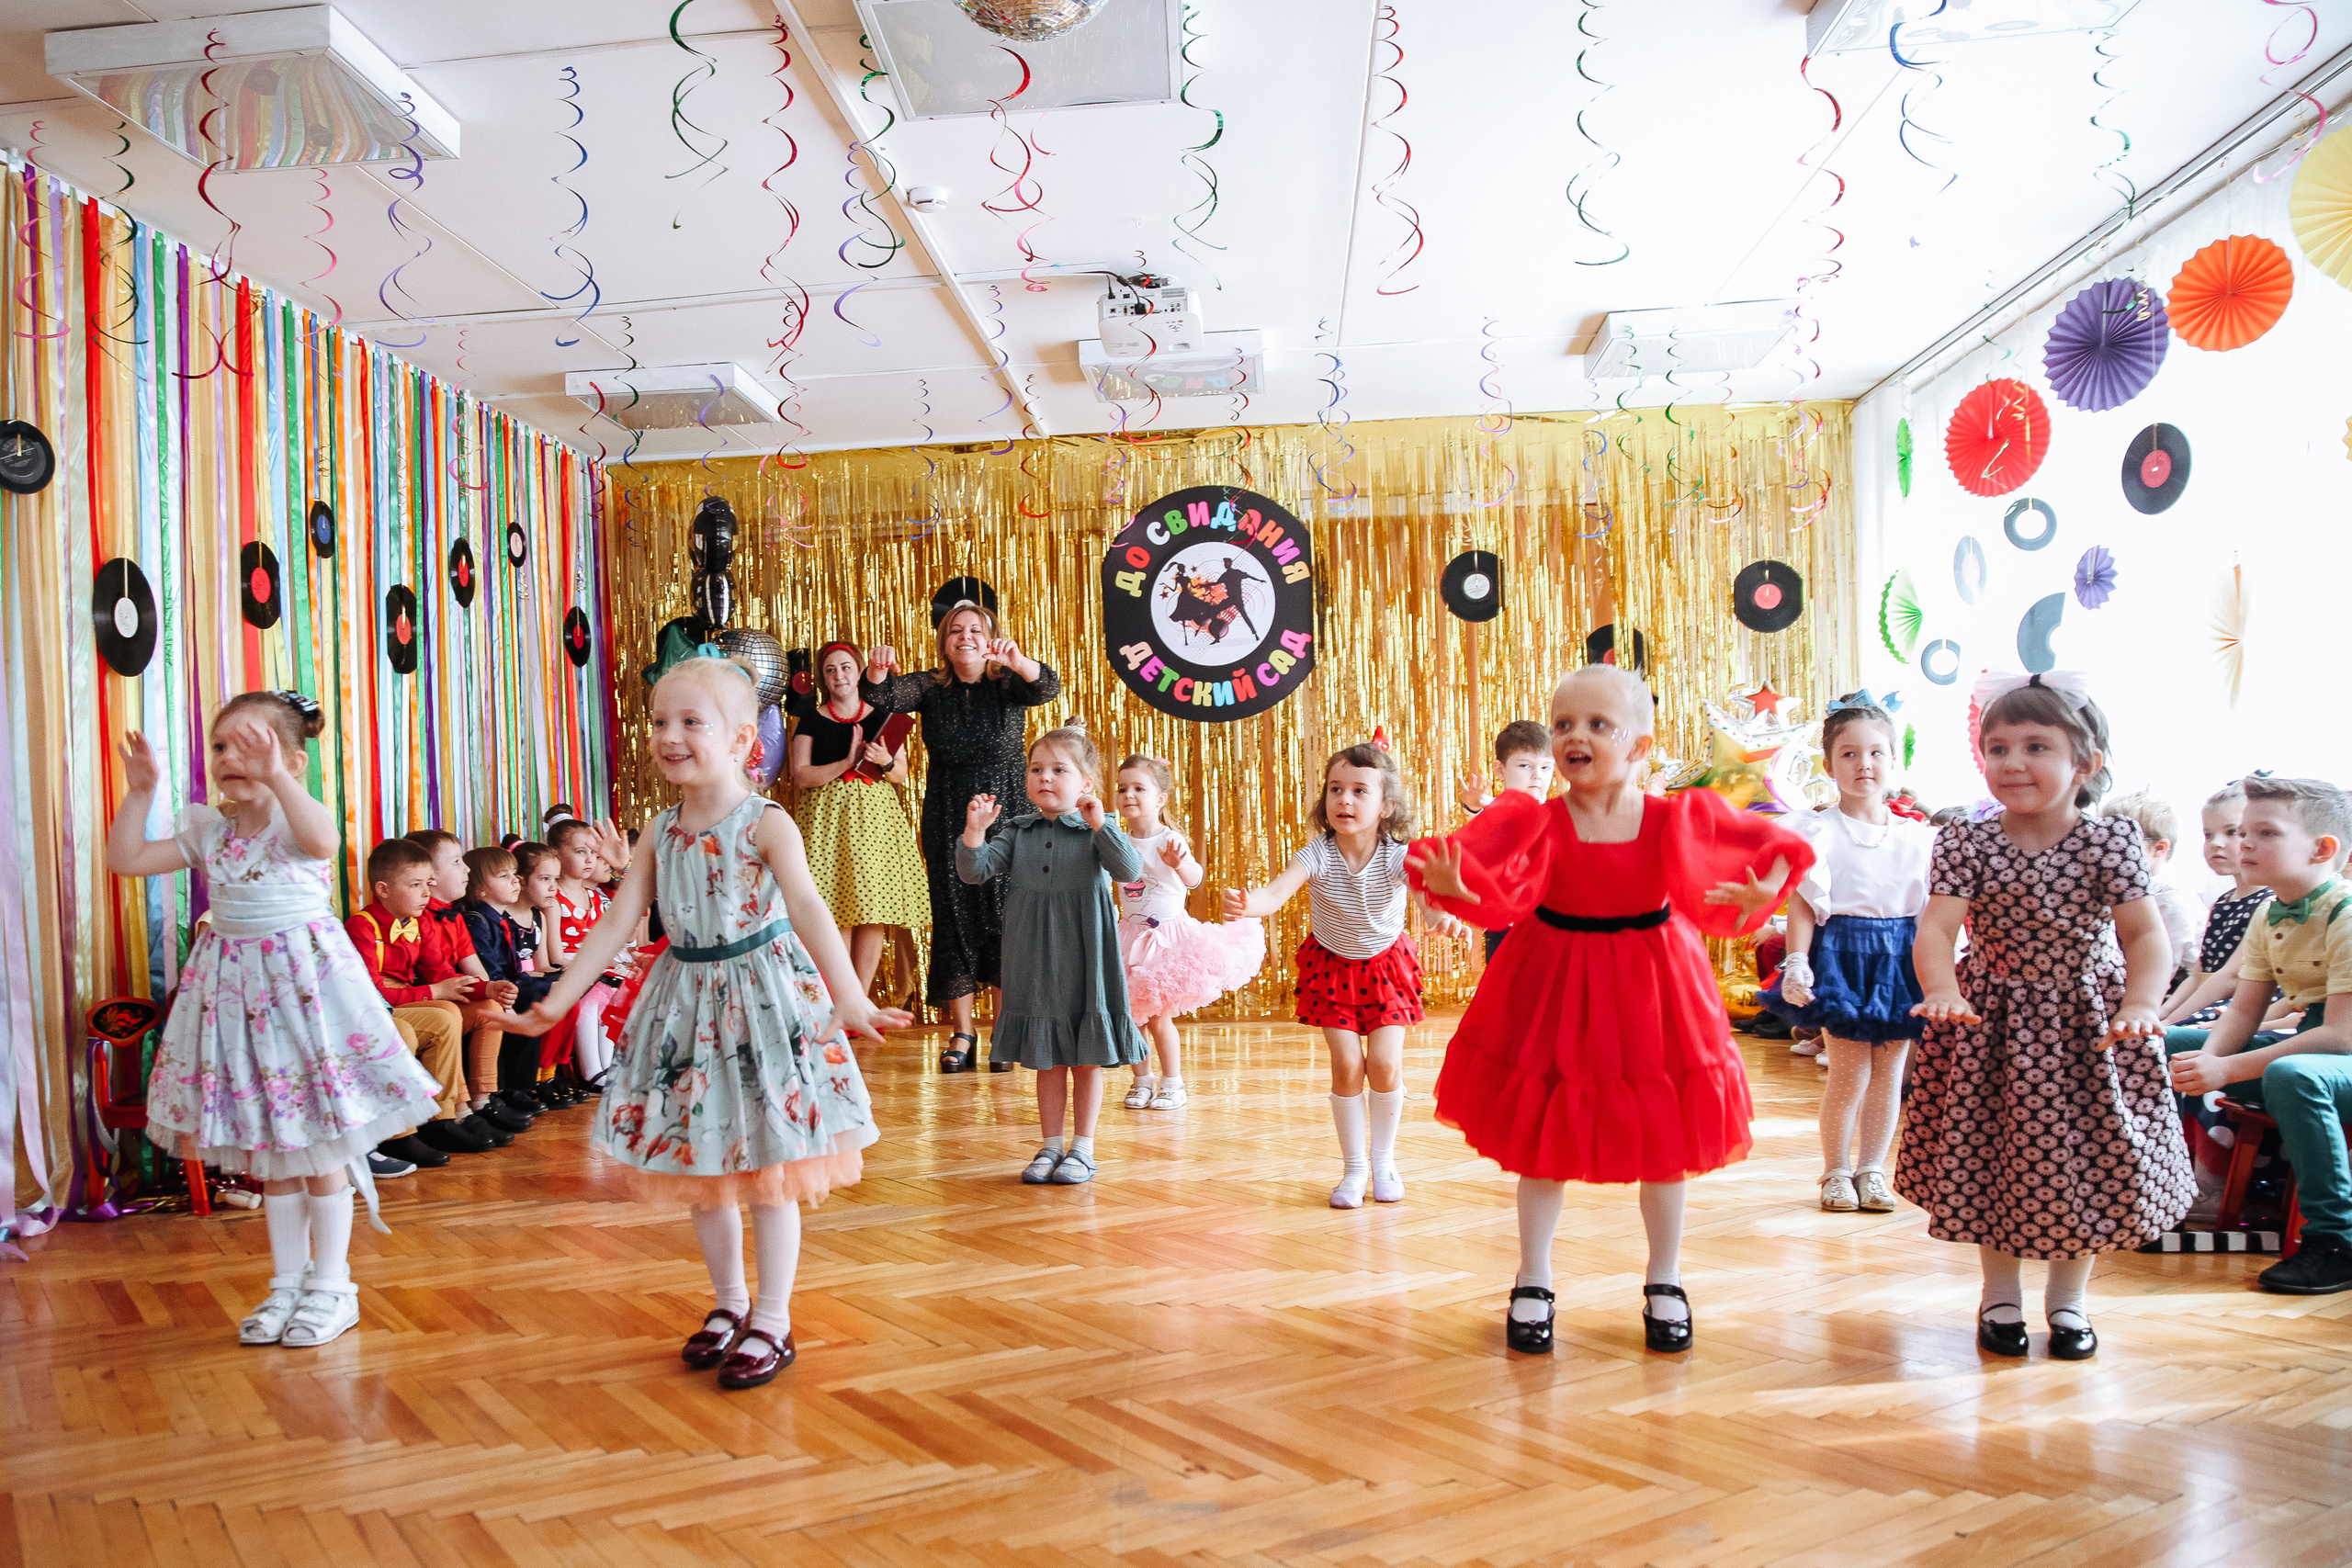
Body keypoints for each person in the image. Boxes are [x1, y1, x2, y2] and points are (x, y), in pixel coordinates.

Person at [526, 653, 906, 1389]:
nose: (670, 735)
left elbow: (808, 908)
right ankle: (728, 1303)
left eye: (691, 722)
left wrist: (849, 996)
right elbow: (616, 922)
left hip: (763, 1001)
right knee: (701, 1164)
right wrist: (560, 996)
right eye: (661, 721)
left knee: (769, 1167)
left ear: (741, 741)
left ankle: (771, 1316)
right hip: (688, 1004)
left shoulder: (766, 822)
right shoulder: (659, 831)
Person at [1407, 665, 1808, 1355]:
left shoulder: (1675, 815)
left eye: (1598, 725)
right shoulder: (1537, 820)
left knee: (1665, 1139)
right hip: (1555, 975)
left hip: (1654, 983)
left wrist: (1762, 889)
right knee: (1543, 1132)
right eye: (1563, 724)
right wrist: (1452, 890)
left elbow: (1777, 846)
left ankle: (1666, 1277)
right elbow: (1474, 870)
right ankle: (1533, 1276)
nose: (1575, 737)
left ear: (1641, 744)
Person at [107, 692, 444, 1348]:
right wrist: (141, 792)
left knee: (318, 1144)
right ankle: (287, 1282)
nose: (232, 757)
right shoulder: (209, 829)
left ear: (292, 759)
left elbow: (324, 838)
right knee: (276, 1151)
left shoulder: (296, 822)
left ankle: (332, 1285)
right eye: (222, 746)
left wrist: (282, 779)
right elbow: (126, 860)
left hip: (304, 996)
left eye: (251, 745)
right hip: (236, 998)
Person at [1903, 673, 2191, 1360]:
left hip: (2086, 1026)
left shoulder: (2111, 841)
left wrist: (2142, 1002)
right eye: (1997, 747)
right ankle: (1999, 1295)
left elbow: (2148, 936)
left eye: (2036, 746)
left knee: (2084, 1163)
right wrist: (1943, 988)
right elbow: (1938, 930)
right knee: (1992, 1157)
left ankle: (2069, 1301)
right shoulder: (1968, 842)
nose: (2012, 762)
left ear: (2084, 764)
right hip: (1995, 1023)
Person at [1224, 740, 1467, 1209]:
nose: (1345, 800)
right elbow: (1274, 894)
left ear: (1386, 806)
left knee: (1385, 1065)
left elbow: (1426, 903)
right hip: (1332, 967)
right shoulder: (1317, 854)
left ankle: (1384, 1162)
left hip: (1386, 967)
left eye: (1359, 791)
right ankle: (1354, 1168)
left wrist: (1441, 920)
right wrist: (1246, 904)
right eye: (1336, 789)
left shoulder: (1400, 856)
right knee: (1347, 1066)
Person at [2167, 777, 2352, 1294]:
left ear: (2322, 849)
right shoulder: (2269, 911)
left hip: (2336, 1053)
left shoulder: (2346, 914)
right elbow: (2244, 1012)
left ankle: (2335, 1241)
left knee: (2295, 1074)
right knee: (2161, 1046)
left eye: (2264, 833)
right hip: (2310, 1052)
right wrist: (2203, 1058)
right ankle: (2151, 1188)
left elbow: (2338, 1037)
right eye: (2243, 832)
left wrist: (2225, 1070)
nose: (2244, 843)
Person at [861, 601, 1061, 1073]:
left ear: (991, 636)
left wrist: (1017, 660)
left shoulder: (1008, 682)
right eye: (955, 630)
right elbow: (882, 697)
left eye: (975, 629)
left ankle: (1006, 1029)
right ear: (944, 641)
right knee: (955, 916)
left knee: (1006, 916)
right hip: (949, 811)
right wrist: (874, 669)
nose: (965, 637)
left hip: (1009, 809)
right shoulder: (930, 686)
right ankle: (963, 1032)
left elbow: (1047, 687)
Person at [1757, 695, 1932, 1213]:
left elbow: (1931, 916)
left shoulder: (1920, 839)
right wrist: (1797, 962)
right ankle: (1835, 1170)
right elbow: (1805, 905)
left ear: (1894, 760)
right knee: (1850, 1071)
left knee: (1891, 1073)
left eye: (1877, 753)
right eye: (1850, 754)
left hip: (1899, 958)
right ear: (1830, 765)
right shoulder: (1818, 830)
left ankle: (1872, 1169)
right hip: (1843, 956)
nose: (1865, 765)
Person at [959, 724, 1148, 1185]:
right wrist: (973, 832)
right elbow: (974, 872)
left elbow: (1129, 869)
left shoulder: (1095, 829)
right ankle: (1049, 1145)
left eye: (1058, 769)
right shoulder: (1018, 831)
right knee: (1047, 1058)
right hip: (1033, 954)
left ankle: (1083, 1147)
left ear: (1086, 783)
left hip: (1085, 952)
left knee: (1086, 1055)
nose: (1044, 777)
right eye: (1036, 769)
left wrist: (1102, 823)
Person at [1111, 753, 1265, 1111]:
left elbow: (1195, 880)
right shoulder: (1117, 840)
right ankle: (1142, 1079)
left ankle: (1173, 1082)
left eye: (1139, 788)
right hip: (1130, 937)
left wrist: (1179, 863)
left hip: (1166, 939)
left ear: (1160, 798)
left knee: (1160, 1017)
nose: (1129, 794)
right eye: (1122, 788)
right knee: (1131, 1016)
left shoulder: (1170, 839)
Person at [346, 840, 512, 1159]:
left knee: (485, 1010)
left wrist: (486, 990)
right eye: (416, 885)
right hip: (372, 1010)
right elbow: (370, 994)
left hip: (402, 1001)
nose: (426, 892)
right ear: (382, 889)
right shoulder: (362, 926)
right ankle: (400, 1132)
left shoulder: (419, 923)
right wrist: (434, 993)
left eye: (427, 884)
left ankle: (452, 1113)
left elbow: (440, 973)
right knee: (439, 1016)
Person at [789, 639, 929, 999]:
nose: (839, 676)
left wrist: (883, 759)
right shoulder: (811, 719)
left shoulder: (882, 714)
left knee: (873, 909)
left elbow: (899, 774)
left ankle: (860, 1000)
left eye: (846, 667)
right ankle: (839, 998)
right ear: (823, 677)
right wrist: (844, 763)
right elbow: (801, 775)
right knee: (835, 908)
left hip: (875, 821)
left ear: (858, 671)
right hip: (827, 821)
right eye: (831, 670)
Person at [408, 829, 527, 1133]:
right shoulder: (421, 918)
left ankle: (482, 1099)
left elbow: (474, 968)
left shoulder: (456, 917)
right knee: (454, 1013)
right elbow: (439, 975)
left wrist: (496, 993)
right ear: (429, 875)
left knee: (491, 1008)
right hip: (427, 1000)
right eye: (458, 862)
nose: (467, 870)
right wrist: (485, 987)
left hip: (452, 995)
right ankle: (459, 1107)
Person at [455, 845, 556, 1122]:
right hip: (484, 989)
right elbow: (489, 973)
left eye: (515, 874)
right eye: (504, 876)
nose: (516, 880)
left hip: (501, 985)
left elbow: (510, 970)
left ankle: (521, 1085)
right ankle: (503, 1088)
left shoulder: (499, 919)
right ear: (480, 889)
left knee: (540, 992)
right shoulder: (477, 920)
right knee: (530, 999)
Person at [2160, 783, 2273, 1026]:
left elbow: (2229, 978)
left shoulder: (2270, 901)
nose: (2216, 843)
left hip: (2240, 1007)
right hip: (2207, 1000)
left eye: (2232, 832)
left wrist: (2171, 1023)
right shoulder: (2222, 902)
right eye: (2208, 835)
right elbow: (2199, 974)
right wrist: (2162, 1013)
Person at [1453, 720, 1557, 961]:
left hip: (1549, 926)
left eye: (1546, 768)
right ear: (1500, 770)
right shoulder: (1497, 813)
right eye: (1525, 765)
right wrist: (1475, 805)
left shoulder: (1556, 813)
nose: (1536, 776)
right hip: (1505, 927)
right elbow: (1491, 824)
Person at [2102, 793, 2207, 997]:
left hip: (2174, 988)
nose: (2107, 850)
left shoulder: (2170, 893)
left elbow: (2166, 964)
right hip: (2133, 979)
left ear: (2159, 848)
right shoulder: (2117, 888)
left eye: (2120, 842)